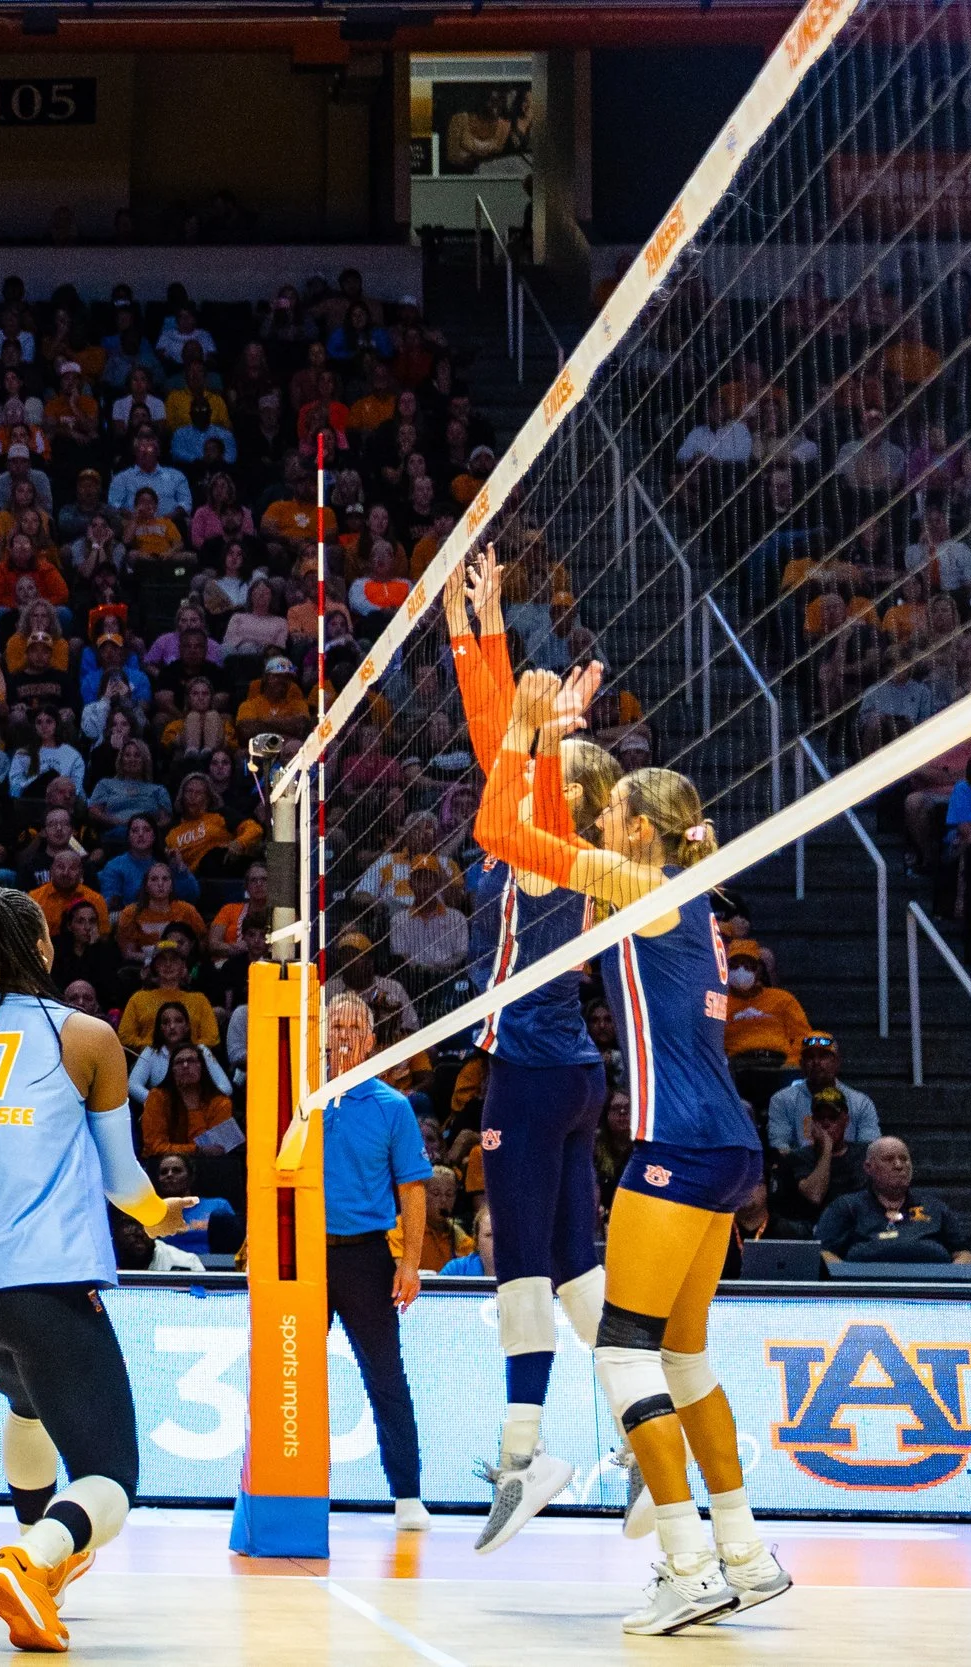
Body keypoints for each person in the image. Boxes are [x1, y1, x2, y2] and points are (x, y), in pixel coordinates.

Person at [473, 664, 787, 1633]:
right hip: (729, 1144)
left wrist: (524, 730)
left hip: (679, 1147)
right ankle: (742, 1549)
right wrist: (529, 724)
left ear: (638, 829)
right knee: (683, 1357)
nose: (596, 823)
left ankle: (687, 1563)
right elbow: (529, 843)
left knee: (624, 1354)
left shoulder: (637, 883)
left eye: (608, 810)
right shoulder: (681, 893)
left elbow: (503, 835)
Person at [0, 887, 190, 1654]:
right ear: (41, 949)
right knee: (112, 1477)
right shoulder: (84, 1034)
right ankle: (35, 1556)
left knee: (28, 1401)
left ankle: (35, 1546)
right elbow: (123, 1181)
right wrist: (161, 1220)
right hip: (40, 1283)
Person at [448, 559, 615, 1551]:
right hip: (566, 1071)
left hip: (537, 1067)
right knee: (571, 1271)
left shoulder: (543, 837)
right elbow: (491, 733)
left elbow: (504, 758)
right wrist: (479, 629)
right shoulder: (541, 819)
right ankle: (652, 1429)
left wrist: (525, 695)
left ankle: (524, 1455)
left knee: (521, 1266)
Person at [317, 995, 432, 1534]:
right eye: (334, 1024)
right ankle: (282, 1489)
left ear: (370, 1039)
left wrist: (409, 1263)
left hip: (366, 1256)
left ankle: (407, 1495)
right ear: (319, 1036)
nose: (342, 1034)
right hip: (304, 1260)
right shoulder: (301, 1102)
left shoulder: (392, 1106)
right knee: (288, 1376)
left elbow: (413, 1190)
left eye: (353, 1026)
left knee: (386, 1378)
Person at [814, 1136, 971, 1266]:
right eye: (889, 1159)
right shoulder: (846, 1207)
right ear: (868, 1167)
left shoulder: (935, 1208)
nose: (899, 1165)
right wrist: (849, 1279)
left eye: (904, 1159)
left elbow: (964, 1253)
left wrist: (949, 1278)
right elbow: (822, 1253)